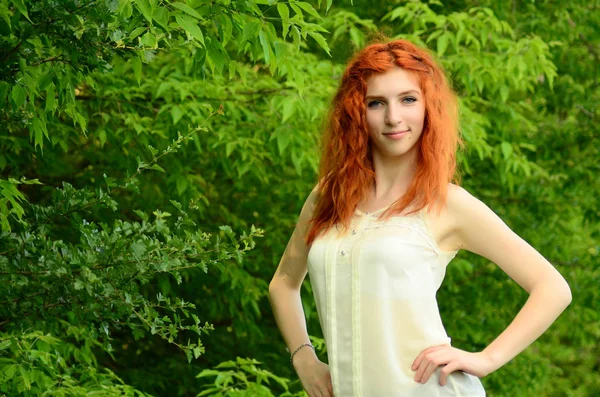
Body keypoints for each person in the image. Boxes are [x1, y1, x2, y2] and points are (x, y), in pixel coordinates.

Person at [268, 39, 571, 397]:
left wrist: (487, 359)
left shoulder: (448, 204)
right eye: (376, 103)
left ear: (429, 106)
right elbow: (283, 284)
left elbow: (552, 288)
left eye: (408, 99)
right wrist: (304, 359)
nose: (393, 117)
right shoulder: (327, 196)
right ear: (355, 112)